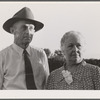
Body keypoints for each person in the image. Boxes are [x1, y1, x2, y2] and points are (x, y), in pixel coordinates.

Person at [0, 7, 49, 90]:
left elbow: (47, 84)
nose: (28, 32)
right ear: (12, 30)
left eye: (31, 28)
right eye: (24, 27)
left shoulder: (41, 54)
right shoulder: (2, 56)